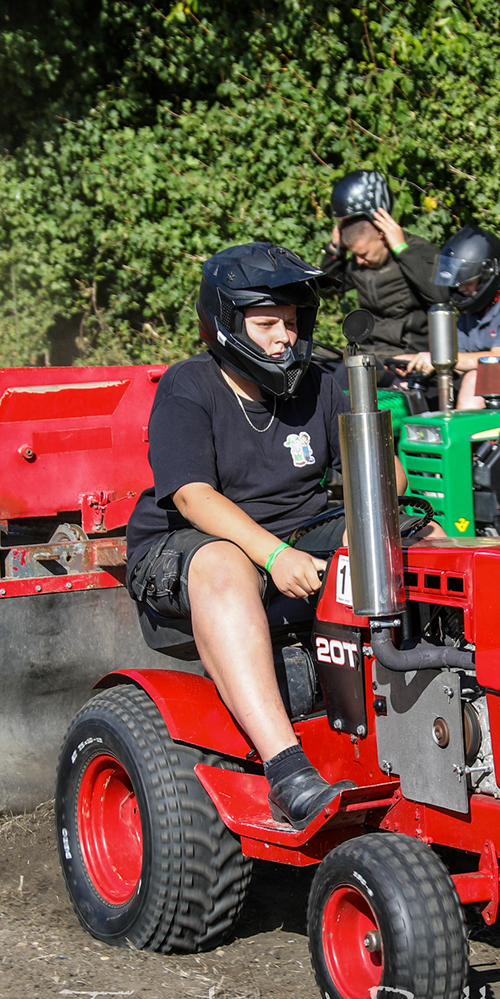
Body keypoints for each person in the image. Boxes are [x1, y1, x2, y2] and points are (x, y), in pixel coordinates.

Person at [125, 241, 410, 830]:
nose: (285, 338)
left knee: (417, 538)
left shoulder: (322, 383)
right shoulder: (189, 386)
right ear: (227, 324)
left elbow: (391, 482)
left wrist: (370, 438)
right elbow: (192, 496)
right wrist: (274, 555)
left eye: (293, 322)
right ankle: (287, 770)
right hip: (188, 543)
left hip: (299, 532)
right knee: (225, 564)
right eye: (267, 325)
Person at [395, 226, 500, 409]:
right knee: (411, 389)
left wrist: (437, 359)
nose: (461, 288)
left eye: (467, 281)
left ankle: (463, 429)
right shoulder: (470, 312)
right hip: (487, 382)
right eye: (457, 282)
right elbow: (459, 362)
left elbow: (499, 360)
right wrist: (417, 364)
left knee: (478, 380)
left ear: (488, 275)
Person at [319, 170, 447, 361]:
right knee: (316, 364)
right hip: (370, 353)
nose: (359, 261)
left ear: (382, 234)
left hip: (409, 355)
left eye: (363, 254)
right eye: (355, 255)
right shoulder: (360, 263)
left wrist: (402, 252)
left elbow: (441, 296)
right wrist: (334, 249)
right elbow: (327, 287)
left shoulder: (420, 251)